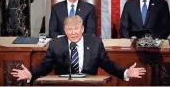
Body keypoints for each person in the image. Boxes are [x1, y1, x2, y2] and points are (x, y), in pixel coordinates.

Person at [11, 15, 146, 84]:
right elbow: (45, 66)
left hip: (89, 85)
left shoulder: (95, 43)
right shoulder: (56, 44)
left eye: (76, 28)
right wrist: (31, 75)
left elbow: (108, 65)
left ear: (82, 29)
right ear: (64, 30)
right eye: (69, 29)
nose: (73, 32)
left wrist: (126, 72)